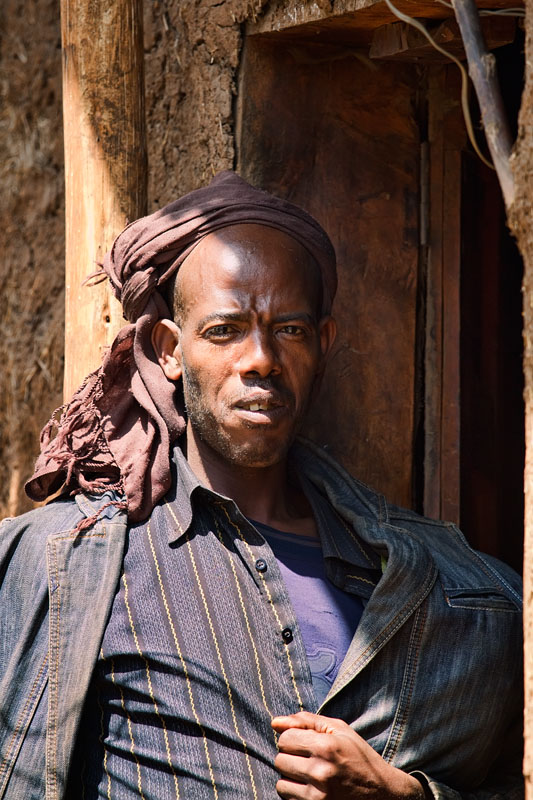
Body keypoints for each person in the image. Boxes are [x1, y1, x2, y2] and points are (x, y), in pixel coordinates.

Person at [0, 171, 523, 800]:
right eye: (224, 332)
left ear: (323, 344)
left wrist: (403, 796)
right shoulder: (72, 562)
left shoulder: (445, 583)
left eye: (291, 330)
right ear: (169, 349)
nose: (260, 360)